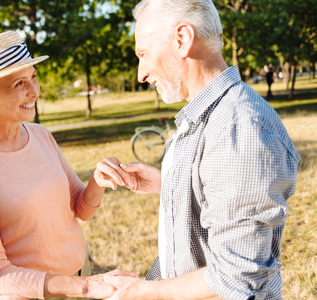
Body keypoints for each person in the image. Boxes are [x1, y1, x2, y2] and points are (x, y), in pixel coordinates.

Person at [95, 1, 301, 299]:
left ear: (182, 40)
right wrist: (170, 185)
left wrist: (142, 292)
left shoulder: (238, 127)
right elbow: (223, 195)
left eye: (143, 54)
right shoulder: (206, 115)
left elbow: (239, 275)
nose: (141, 73)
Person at [0, 30, 122, 300]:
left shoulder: (40, 135)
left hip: (81, 274)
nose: (34, 91)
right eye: (19, 84)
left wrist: (98, 179)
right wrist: (86, 288)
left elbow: (80, 209)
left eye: (33, 77)